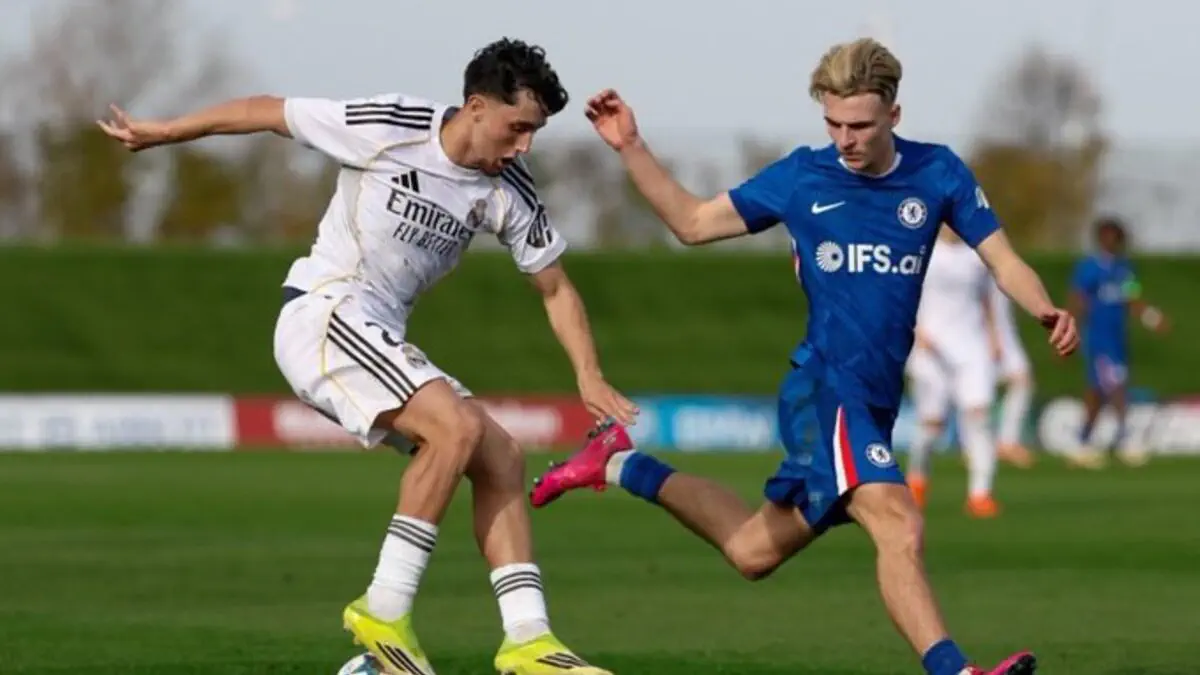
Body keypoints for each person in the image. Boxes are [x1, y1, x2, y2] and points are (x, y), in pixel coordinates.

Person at [531, 38, 1078, 675]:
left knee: (752, 551)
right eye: (833, 123)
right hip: (825, 389)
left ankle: (620, 463)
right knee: (897, 523)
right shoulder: (802, 178)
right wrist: (630, 145)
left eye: (860, 125)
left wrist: (1043, 307)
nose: (845, 139)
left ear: (894, 115)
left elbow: (1003, 259)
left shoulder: (939, 172)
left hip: (874, 400)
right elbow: (693, 224)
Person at [97, 38, 635, 675]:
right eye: (517, 128)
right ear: (476, 107)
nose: (524, 146)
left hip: (375, 333)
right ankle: (384, 608)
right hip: (324, 315)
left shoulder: (509, 188)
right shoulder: (391, 125)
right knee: (454, 428)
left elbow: (556, 288)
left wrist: (588, 374)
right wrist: (165, 132)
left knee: (501, 457)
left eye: (535, 132)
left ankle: (529, 640)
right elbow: (269, 111)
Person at [904, 226, 1002, 517]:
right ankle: (917, 480)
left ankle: (980, 494)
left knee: (979, 419)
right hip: (930, 349)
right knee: (931, 427)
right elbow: (905, 295)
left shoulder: (976, 256)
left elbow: (986, 300)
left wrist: (994, 337)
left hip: (971, 348)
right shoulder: (923, 252)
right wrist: (916, 330)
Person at [1067, 216, 1169, 469]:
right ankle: (1126, 440)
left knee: (1098, 391)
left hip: (1117, 339)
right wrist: (1071, 330)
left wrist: (1151, 317)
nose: (1111, 241)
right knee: (1116, 386)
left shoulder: (1125, 269)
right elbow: (1078, 300)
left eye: (1115, 236)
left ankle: (1082, 441)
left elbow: (1132, 298)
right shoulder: (1089, 268)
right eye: (1107, 236)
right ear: (1100, 238)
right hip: (1098, 338)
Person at [987, 277, 1037, 469]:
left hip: (1005, 332)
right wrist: (991, 335)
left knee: (1022, 380)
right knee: (978, 390)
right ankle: (976, 445)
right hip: (985, 332)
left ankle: (1007, 442)